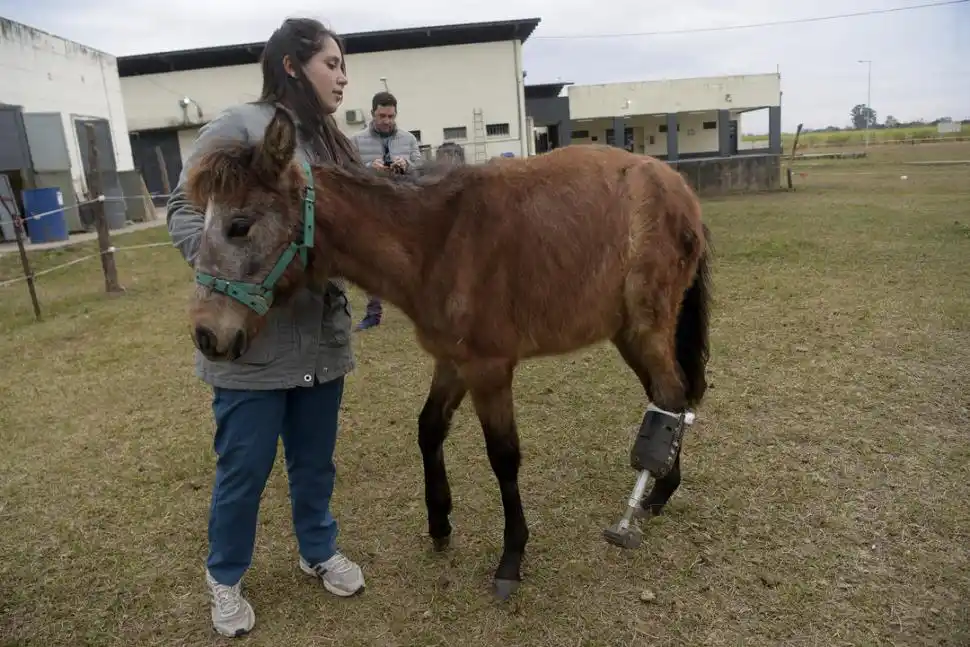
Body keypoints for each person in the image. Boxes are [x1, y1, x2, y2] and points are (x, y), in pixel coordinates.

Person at [166, 17, 365, 638]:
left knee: (315, 463)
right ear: (291, 65)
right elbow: (181, 208)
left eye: (343, 65)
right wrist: (232, 266)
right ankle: (224, 576)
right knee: (244, 469)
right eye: (331, 63)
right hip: (252, 341)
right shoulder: (237, 127)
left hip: (322, 335)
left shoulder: (336, 145)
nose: (342, 76)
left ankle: (317, 549)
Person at [348, 90, 423, 331]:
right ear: (373, 113)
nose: (387, 121)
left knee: (412, 256)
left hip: (402, 206)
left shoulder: (408, 139)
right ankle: (373, 313)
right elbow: (348, 171)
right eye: (382, 116)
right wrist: (370, 167)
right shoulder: (355, 141)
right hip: (372, 207)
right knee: (372, 259)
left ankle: (419, 308)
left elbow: (421, 167)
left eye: (391, 116)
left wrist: (406, 165)